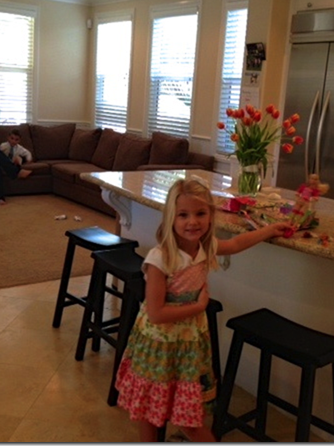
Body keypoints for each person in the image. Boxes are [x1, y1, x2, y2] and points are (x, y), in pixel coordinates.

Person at [115, 177, 293, 442]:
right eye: (183, 215)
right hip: (158, 345)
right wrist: (198, 306)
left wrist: (268, 230)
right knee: (149, 410)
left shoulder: (204, 247)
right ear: (171, 218)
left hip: (188, 343)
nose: (193, 222)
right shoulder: (160, 258)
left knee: (186, 413)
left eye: (200, 213)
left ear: (211, 216)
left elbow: (235, 244)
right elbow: (156, 314)